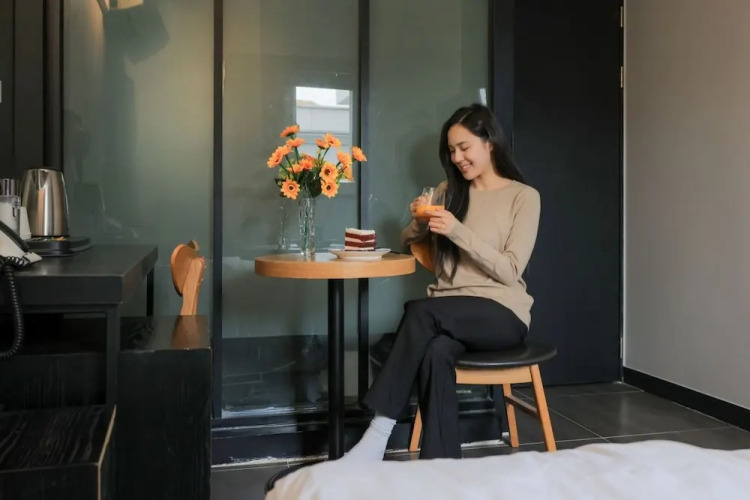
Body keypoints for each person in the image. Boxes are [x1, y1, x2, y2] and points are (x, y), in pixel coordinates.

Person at [344, 103, 541, 461]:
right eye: (451, 151)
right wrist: (419, 221)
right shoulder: (449, 191)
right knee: (435, 351)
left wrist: (457, 230)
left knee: (420, 312)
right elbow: (409, 241)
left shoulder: (523, 197)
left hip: (501, 314)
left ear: (489, 142)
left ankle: (377, 434)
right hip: (446, 315)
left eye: (464, 147)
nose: (457, 158)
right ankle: (442, 465)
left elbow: (510, 270)